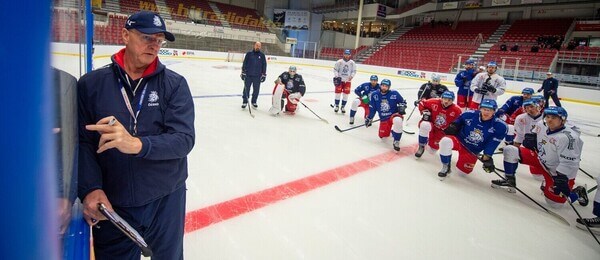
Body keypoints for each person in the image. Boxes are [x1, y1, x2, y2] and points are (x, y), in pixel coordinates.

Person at [77, 11, 195, 259]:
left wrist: (137, 144)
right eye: (146, 37)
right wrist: (90, 188)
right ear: (125, 35)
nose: (154, 45)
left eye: (159, 39)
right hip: (113, 204)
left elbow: (183, 139)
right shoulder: (91, 85)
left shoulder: (174, 85)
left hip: (166, 200)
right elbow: (83, 142)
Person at [491, 107, 588, 208]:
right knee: (510, 150)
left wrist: (562, 178)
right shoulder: (541, 124)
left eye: (554, 118)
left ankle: (577, 192)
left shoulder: (569, 138)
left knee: (555, 204)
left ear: (562, 120)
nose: (549, 120)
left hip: (557, 172)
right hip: (540, 159)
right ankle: (509, 180)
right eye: (548, 117)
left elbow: (570, 162)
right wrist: (530, 139)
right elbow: (535, 135)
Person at [437, 99, 507, 180]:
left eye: (489, 110)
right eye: (484, 109)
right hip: (460, 141)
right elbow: (458, 121)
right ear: (480, 108)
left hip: (473, 150)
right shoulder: (469, 114)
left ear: (494, 111)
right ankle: (446, 166)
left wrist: (487, 157)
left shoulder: (500, 126)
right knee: (445, 141)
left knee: (462, 173)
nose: (486, 112)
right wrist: (454, 125)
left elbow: (493, 143)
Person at [415, 91, 462, 158]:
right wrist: (423, 111)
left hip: (442, 131)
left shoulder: (457, 110)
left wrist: (454, 127)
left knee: (431, 151)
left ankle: (428, 140)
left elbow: (461, 121)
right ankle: (421, 146)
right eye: (445, 99)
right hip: (432, 125)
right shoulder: (434, 101)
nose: (446, 101)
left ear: (453, 100)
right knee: (424, 124)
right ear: (441, 98)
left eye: (449, 100)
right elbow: (422, 103)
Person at [365, 79, 407, 151]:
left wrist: (402, 107)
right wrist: (369, 118)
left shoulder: (394, 93)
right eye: (383, 86)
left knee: (398, 120)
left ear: (389, 87)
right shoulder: (375, 95)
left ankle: (396, 140)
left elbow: (403, 102)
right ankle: (393, 132)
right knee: (383, 137)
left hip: (394, 115)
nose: (384, 87)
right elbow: (373, 109)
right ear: (380, 85)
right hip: (384, 118)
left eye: (386, 86)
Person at [241, 41, 267, 108]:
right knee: (246, 89)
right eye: (256, 45)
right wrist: (243, 72)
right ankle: (245, 101)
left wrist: (264, 75)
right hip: (248, 75)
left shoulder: (262, 55)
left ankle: (254, 101)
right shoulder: (249, 54)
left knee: (256, 90)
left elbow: (264, 65)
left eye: (259, 46)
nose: (258, 47)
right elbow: (245, 63)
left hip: (257, 76)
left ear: (260, 47)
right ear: (254, 45)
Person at [332, 49, 357, 113]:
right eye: (346, 54)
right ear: (343, 54)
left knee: (346, 95)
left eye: (348, 54)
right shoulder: (339, 62)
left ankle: (343, 106)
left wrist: (351, 76)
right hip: (340, 80)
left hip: (348, 81)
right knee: (338, 94)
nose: (347, 55)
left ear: (350, 55)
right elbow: (335, 70)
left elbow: (354, 71)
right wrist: (337, 76)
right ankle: (337, 105)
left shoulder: (352, 63)